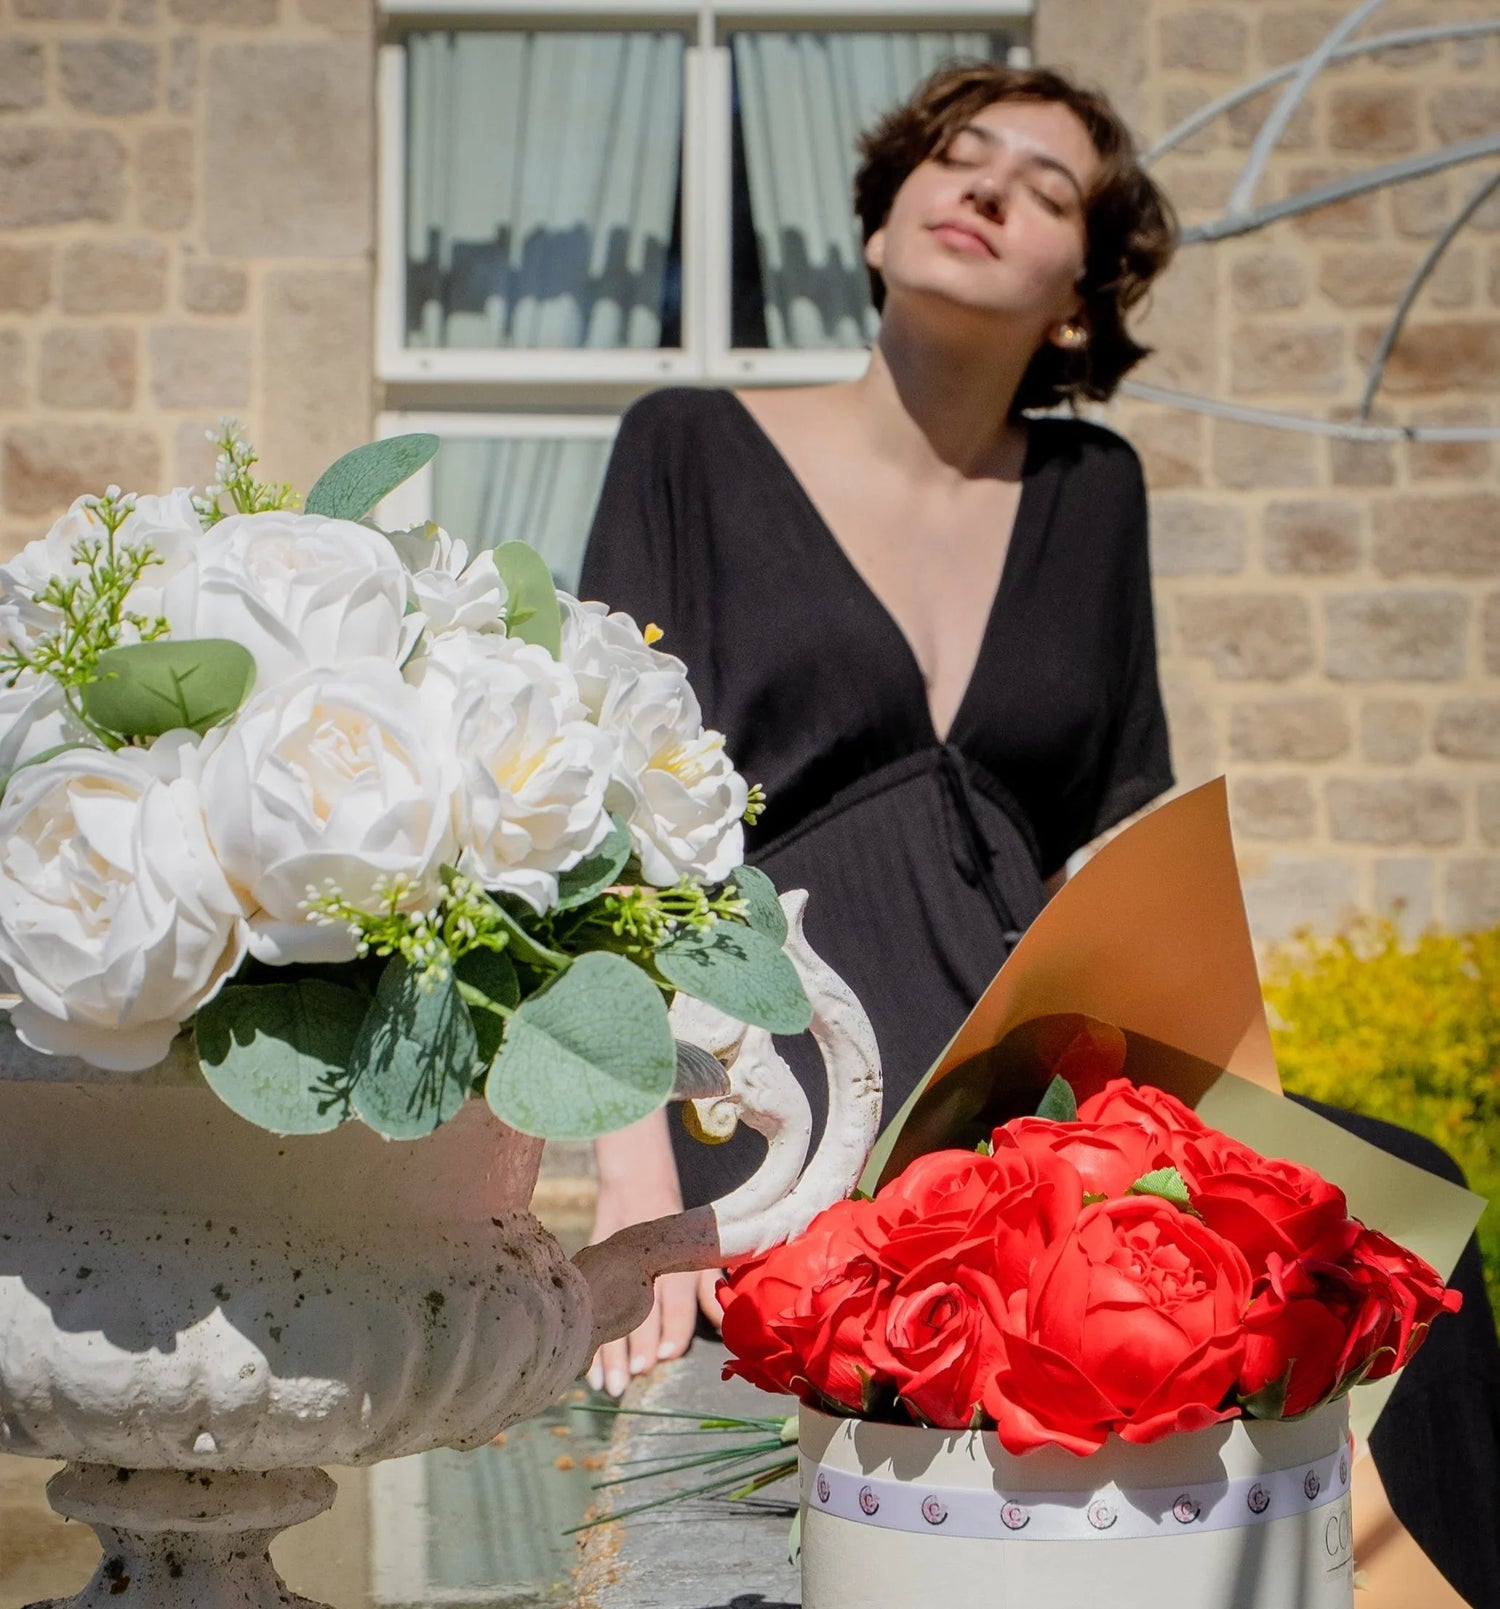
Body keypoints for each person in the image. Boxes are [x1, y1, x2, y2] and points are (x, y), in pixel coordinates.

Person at [577, 62, 1500, 1606]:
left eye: (1048, 187)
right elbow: (611, 829)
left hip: (1027, 1081)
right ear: (882, 224)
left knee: (1401, 1203)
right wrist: (635, 1175)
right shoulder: (686, 444)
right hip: (795, 1091)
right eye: (956, 155)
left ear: (1079, 297)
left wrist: (1218, 1106)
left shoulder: (1094, 492)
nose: (988, 188)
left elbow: (1124, 846)